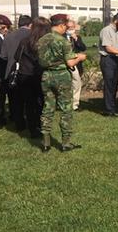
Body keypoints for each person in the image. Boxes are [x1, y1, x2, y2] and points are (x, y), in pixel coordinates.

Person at [37, 14, 87, 152]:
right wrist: (80, 58)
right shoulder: (63, 41)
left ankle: (46, 142)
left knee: (48, 108)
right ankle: (66, 143)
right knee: (66, 109)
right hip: (61, 76)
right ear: (61, 25)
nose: (66, 28)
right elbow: (70, 62)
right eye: (65, 26)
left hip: (46, 76)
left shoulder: (41, 40)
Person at [14, 17, 50, 138]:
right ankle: (40, 125)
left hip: (25, 75)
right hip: (40, 75)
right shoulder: (46, 42)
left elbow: (16, 56)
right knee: (41, 101)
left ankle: (32, 128)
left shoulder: (25, 41)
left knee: (29, 103)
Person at [0, 14, 32, 130]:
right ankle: (31, 122)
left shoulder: (8, 36)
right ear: (30, 24)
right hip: (28, 71)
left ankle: (18, 122)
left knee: (15, 99)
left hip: (12, 72)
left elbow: (3, 56)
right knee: (30, 99)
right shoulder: (32, 35)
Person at [98, 13, 118, 116]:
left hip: (115, 59)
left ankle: (112, 106)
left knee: (114, 83)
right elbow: (108, 48)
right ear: (116, 21)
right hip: (108, 59)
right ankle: (109, 109)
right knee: (109, 83)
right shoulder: (106, 30)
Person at [66, 19, 87, 111]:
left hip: (76, 64)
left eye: (72, 27)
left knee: (76, 83)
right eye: (69, 27)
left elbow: (83, 47)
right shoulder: (61, 37)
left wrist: (76, 39)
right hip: (65, 63)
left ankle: (75, 104)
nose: (70, 29)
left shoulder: (77, 37)